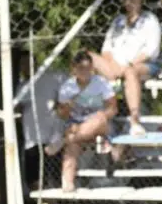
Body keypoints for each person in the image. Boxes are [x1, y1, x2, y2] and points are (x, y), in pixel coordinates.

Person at [88, 0, 161, 137]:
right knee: (86, 57)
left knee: (130, 72)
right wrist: (112, 65)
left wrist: (127, 65)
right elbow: (106, 49)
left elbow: (151, 51)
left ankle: (135, 121)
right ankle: (85, 112)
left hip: (141, 64)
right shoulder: (117, 22)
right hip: (115, 66)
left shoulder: (150, 20)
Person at [45, 51, 117, 192]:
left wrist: (100, 115)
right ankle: (67, 182)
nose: (85, 72)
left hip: (100, 125)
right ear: (74, 68)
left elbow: (113, 109)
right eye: (81, 68)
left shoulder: (101, 83)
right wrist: (67, 107)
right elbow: (63, 115)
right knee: (72, 145)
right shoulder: (68, 87)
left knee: (97, 119)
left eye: (88, 68)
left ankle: (63, 141)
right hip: (77, 127)